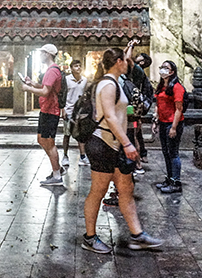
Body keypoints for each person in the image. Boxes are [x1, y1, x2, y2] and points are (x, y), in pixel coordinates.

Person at [82, 42, 163, 253]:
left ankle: (137, 235)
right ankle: (89, 237)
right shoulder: (108, 85)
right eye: (126, 61)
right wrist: (127, 143)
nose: (128, 64)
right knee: (98, 191)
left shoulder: (115, 81)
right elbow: (109, 116)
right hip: (103, 143)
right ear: (118, 63)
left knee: (126, 189)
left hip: (115, 144)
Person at [21, 44, 65, 186]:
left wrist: (28, 89)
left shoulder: (52, 71)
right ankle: (57, 166)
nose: (40, 55)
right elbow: (45, 88)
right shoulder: (50, 70)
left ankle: (57, 175)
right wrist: (32, 83)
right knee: (41, 139)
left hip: (51, 110)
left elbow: (46, 92)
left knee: (49, 143)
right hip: (46, 109)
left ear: (47, 54)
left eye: (41, 53)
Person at [152, 60, 185, 194]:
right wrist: (156, 120)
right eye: (161, 67)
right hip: (163, 122)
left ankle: (176, 182)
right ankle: (169, 178)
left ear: (172, 72)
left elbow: (179, 109)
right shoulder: (161, 87)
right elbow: (158, 104)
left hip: (173, 123)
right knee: (166, 152)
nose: (163, 70)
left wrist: (174, 127)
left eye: (166, 68)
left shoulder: (177, 87)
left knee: (173, 153)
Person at [61, 59, 89, 167]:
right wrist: (62, 108)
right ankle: (65, 155)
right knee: (67, 134)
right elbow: (62, 94)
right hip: (68, 109)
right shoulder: (66, 80)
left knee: (80, 134)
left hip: (80, 111)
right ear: (71, 68)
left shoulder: (84, 80)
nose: (78, 68)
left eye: (80, 66)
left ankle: (83, 156)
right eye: (76, 66)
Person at [130, 53, 152, 162]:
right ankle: (142, 154)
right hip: (137, 107)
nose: (136, 55)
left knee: (135, 133)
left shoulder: (137, 70)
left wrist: (130, 47)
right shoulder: (139, 72)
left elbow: (128, 59)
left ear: (142, 62)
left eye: (139, 56)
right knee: (137, 132)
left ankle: (138, 158)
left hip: (133, 107)